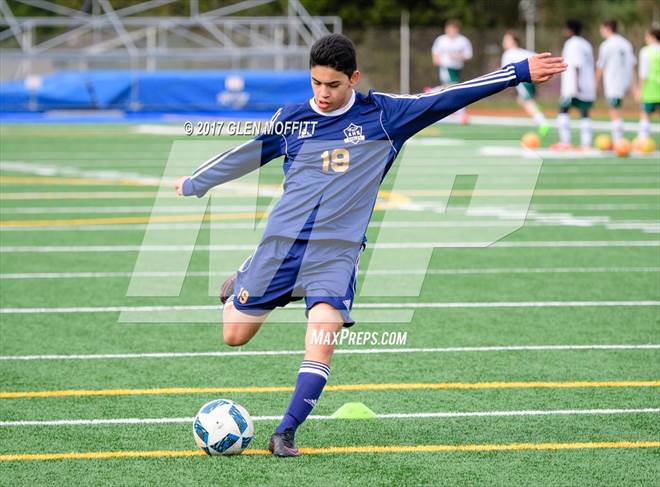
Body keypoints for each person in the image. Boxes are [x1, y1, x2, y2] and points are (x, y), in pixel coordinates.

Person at [175, 33, 565, 457]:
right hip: (281, 247)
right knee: (234, 335)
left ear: (354, 78)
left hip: (336, 254)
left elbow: (447, 97)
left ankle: (285, 432)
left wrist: (517, 73)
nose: (323, 94)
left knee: (322, 337)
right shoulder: (292, 120)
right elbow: (246, 154)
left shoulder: (384, 116)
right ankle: (243, 278)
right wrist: (196, 182)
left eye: (333, 85)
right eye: (316, 83)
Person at [551, 19, 596, 151]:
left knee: (563, 111)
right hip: (587, 84)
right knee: (585, 113)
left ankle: (565, 142)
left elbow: (576, 65)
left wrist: (576, 85)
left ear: (570, 30)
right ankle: (586, 144)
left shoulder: (572, 44)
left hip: (573, 86)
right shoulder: (586, 44)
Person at [501, 30, 549, 136]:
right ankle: (537, 111)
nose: (504, 42)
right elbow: (539, 57)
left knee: (527, 102)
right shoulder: (522, 52)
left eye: (507, 40)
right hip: (532, 78)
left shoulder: (508, 53)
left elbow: (503, 72)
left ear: (514, 41)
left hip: (524, 80)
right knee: (522, 100)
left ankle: (543, 123)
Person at [596, 19, 636, 144]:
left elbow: (600, 66)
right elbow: (632, 65)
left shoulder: (606, 45)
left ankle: (618, 141)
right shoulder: (626, 43)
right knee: (617, 109)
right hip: (624, 82)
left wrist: (595, 82)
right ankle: (619, 139)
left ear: (607, 28)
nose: (601, 31)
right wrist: (634, 85)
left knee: (614, 111)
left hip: (613, 82)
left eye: (602, 28)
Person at [431, 19, 473, 124]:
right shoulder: (441, 40)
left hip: (457, 68)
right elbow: (435, 52)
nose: (450, 31)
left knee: (449, 88)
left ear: (457, 29)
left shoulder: (463, 40)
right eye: (448, 29)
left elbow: (468, 55)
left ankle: (432, 91)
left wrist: (458, 56)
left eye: (452, 29)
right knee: (453, 88)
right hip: (445, 67)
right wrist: (436, 60)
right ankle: (462, 115)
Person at [636, 27, 660, 141]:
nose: (645, 39)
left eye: (647, 36)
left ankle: (642, 141)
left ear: (653, 37)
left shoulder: (646, 51)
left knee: (645, 116)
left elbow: (643, 73)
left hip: (649, 90)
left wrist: (639, 89)